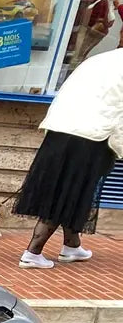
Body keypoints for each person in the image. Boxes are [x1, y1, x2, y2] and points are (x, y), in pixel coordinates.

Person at [15, 48, 123, 268]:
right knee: (68, 191)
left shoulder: (99, 59)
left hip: (61, 128)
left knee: (73, 189)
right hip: (91, 136)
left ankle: (71, 246)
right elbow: (120, 112)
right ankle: (32, 253)